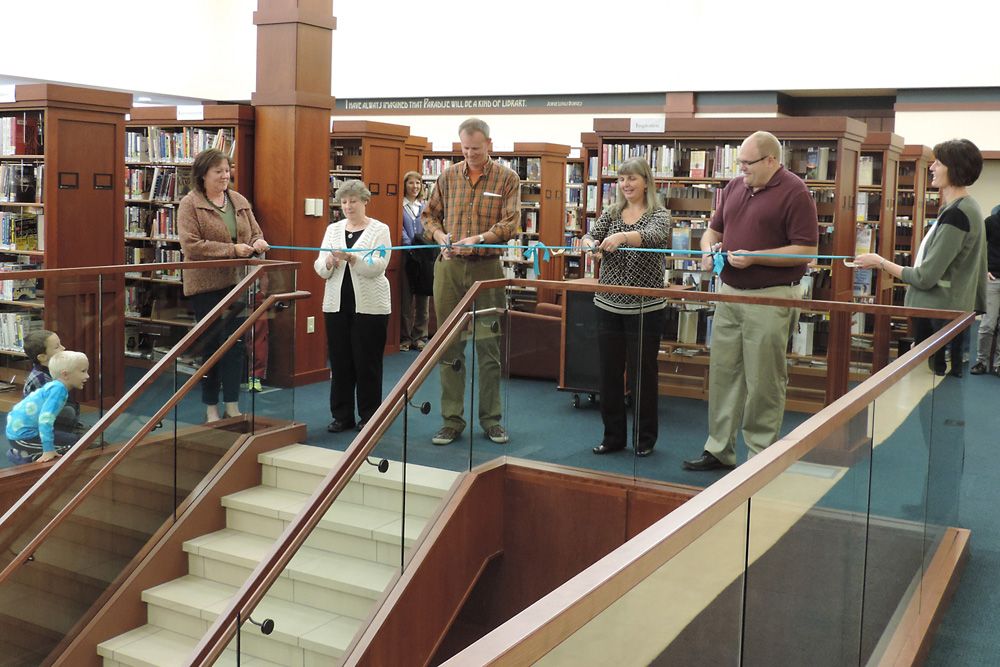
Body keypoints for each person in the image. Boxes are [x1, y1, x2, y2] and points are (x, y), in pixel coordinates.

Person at [684, 131, 818, 471]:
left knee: (764, 378)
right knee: (724, 372)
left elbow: (806, 250)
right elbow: (714, 230)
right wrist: (706, 249)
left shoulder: (796, 192)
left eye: (747, 163)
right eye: (739, 162)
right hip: (729, 293)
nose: (741, 168)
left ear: (771, 160)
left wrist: (756, 257)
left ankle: (760, 456)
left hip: (771, 297)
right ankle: (719, 448)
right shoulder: (734, 187)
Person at [422, 118, 521, 446]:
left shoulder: (507, 178)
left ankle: (491, 420)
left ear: (489, 144)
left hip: (486, 270)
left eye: (476, 148)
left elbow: (510, 224)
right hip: (449, 270)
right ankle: (451, 420)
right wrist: (439, 236)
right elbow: (429, 216)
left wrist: (478, 239)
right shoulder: (447, 176)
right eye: (465, 148)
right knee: (449, 346)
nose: (470, 154)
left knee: (488, 346)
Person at [855, 139, 985, 377]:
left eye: (938, 162)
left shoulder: (957, 214)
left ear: (954, 167)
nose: (932, 167)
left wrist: (880, 262)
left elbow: (925, 277)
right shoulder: (966, 208)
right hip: (947, 313)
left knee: (928, 390)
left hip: (939, 315)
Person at [582, 158, 669, 457]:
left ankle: (645, 440)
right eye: (621, 180)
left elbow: (655, 237)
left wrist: (623, 237)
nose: (626, 185)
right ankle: (613, 437)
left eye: (631, 178)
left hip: (646, 306)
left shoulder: (659, 214)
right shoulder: (611, 212)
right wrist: (587, 245)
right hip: (608, 304)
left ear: (646, 181)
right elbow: (590, 236)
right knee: (609, 373)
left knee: (643, 375)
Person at [178, 148, 269, 423]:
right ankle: (210, 407)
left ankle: (232, 404)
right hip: (206, 287)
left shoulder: (238, 200)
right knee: (212, 346)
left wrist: (257, 243)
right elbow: (191, 245)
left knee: (236, 344)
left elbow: (255, 232)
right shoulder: (190, 204)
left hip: (237, 284)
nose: (225, 176)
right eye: (218, 171)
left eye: (227, 170)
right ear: (203, 174)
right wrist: (232, 250)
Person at [314, 180, 392, 433]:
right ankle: (342, 416)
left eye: (353, 201)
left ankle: (369, 416)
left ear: (365, 202)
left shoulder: (380, 229)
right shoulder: (333, 229)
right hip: (336, 306)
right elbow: (319, 268)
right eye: (344, 201)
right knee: (340, 362)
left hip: (370, 307)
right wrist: (327, 262)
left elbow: (378, 266)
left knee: (366, 362)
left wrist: (352, 258)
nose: (348, 206)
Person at [6, 350, 89, 463]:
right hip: (23, 437)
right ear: (65, 374)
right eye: (83, 371)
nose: (87, 376)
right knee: (75, 446)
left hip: (23, 430)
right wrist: (48, 449)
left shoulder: (55, 386)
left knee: (74, 439)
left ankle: (26, 451)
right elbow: (45, 421)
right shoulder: (58, 390)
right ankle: (22, 456)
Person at [22, 328, 80, 432]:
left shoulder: (53, 370)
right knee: (68, 411)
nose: (63, 348)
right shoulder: (41, 379)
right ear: (42, 357)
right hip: (41, 428)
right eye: (57, 347)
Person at [400, 170, 430, 351]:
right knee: (405, 298)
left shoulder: (425, 207)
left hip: (424, 257)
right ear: (404, 185)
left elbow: (430, 227)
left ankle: (420, 337)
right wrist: (408, 243)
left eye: (418, 183)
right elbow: (400, 228)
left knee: (423, 298)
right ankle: (405, 337)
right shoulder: (399, 206)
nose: (415, 187)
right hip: (406, 255)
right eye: (411, 183)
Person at [970, 204, 1000, 375]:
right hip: (993, 279)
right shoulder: (991, 222)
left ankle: (998, 364)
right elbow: (978, 246)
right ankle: (981, 361)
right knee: (988, 325)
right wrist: (984, 269)